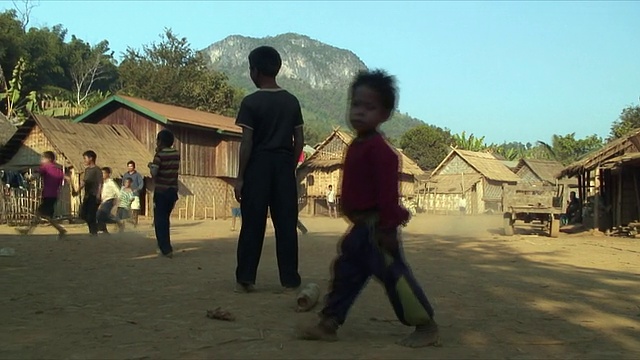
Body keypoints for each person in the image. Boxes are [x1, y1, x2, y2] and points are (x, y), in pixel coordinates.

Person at [301, 70, 440, 348]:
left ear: (385, 114)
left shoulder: (381, 151)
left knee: (395, 278)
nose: (360, 112)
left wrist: (388, 228)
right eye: (356, 105)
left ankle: (425, 325)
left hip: (377, 230)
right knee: (345, 274)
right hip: (360, 230)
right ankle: (330, 322)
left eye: (369, 107)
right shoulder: (356, 145)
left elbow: (389, 195)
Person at [234, 46, 304, 293]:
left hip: (258, 167)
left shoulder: (251, 103)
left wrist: (240, 177)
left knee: (253, 223)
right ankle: (289, 279)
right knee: (286, 223)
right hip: (284, 165)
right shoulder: (291, 101)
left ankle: (246, 276)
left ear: (256, 71)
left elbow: (247, 143)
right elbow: (300, 140)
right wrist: (290, 165)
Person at [18, 151, 67, 238]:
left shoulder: (46, 167)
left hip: (48, 195)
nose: (41, 160)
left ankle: (28, 230)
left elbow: (36, 174)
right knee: (45, 215)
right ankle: (60, 229)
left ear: (49, 159)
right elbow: (67, 178)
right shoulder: (58, 170)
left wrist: (29, 178)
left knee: (41, 213)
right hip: (54, 195)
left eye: (43, 158)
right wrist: (74, 190)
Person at [149, 129, 180, 258]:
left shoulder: (159, 155)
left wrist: (151, 165)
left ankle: (165, 248)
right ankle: (164, 245)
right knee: (165, 219)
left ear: (160, 141)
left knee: (160, 220)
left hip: (161, 191)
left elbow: (154, 172)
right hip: (172, 191)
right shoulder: (176, 154)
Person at [73, 150, 102, 236]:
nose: (84, 160)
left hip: (93, 195)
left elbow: (100, 183)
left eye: (85, 158)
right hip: (87, 195)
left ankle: (93, 232)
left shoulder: (97, 170)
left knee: (91, 215)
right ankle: (96, 228)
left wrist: (98, 195)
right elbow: (83, 182)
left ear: (91, 158)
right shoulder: (87, 170)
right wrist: (77, 191)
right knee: (83, 214)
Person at [96, 167, 124, 234]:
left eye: (103, 173)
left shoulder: (111, 182)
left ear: (108, 174)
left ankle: (116, 223)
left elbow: (118, 192)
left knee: (100, 214)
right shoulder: (102, 183)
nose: (102, 175)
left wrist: (118, 201)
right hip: (104, 201)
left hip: (109, 200)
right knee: (101, 216)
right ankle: (107, 228)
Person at [123, 160, 144, 227]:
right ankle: (127, 224)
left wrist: (137, 190)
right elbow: (123, 184)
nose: (130, 167)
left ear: (134, 167)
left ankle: (135, 224)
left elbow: (141, 184)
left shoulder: (138, 175)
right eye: (128, 166)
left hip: (135, 195)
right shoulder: (125, 175)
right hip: (127, 195)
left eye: (131, 166)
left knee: (135, 209)